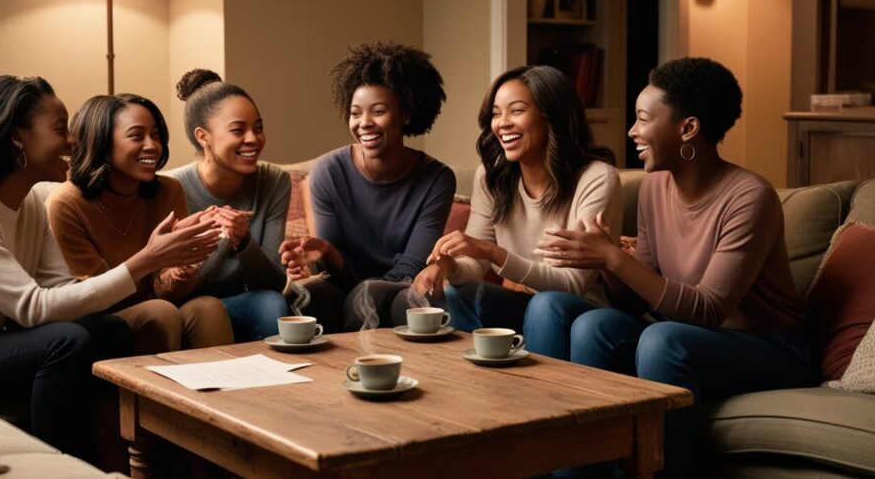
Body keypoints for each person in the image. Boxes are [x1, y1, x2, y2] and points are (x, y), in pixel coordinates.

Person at [0, 76, 217, 461]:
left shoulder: (27, 203)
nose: (73, 141)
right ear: (18, 137)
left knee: (108, 330)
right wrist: (147, 259)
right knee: (65, 341)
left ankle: (119, 458)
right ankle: (62, 465)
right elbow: (32, 308)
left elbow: (61, 289)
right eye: (60, 128)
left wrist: (162, 267)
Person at [536, 57, 817, 473]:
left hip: (769, 345)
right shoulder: (653, 188)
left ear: (688, 128)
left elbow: (708, 310)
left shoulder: (749, 198)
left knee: (663, 341)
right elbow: (634, 303)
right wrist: (607, 259)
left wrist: (614, 257)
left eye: (643, 119)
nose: (632, 131)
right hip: (686, 333)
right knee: (581, 320)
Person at [411, 65, 620, 350]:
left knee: (545, 304)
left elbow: (573, 284)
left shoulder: (596, 178)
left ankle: (538, 393)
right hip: (525, 303)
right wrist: (449, 267)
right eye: (496, 114)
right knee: (459, 294)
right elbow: (476, 262)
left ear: (552, 115)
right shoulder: (492, 176)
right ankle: (473, 387)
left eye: (516, 111)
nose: (502, 123)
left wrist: (494, 252)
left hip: (581, 313)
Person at [279, 42, 456, 331]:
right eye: (355, 113)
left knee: (379, 295)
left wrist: (366, 287)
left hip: (402, 289)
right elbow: (335, 276)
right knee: (308, 294)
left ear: (406, 114)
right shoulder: (329, 172)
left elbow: (410, 269)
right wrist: (326, 251)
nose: (364, 123)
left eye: (378, 111)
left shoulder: (436, 179)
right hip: (343, 287)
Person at [46, 93, 233, 353]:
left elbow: (165, 289)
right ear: (101, 143)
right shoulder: (66, 203)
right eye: (137, 136)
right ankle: (145, 395)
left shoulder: (168, 191)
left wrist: (181, 272)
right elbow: (94, 294)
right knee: (159, 312)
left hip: (155, 304)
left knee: (208, 308)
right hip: (95, 318)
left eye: (155, 136)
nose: (152, 146)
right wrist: (152, 258)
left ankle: (216, 393)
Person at [169, 69, 291, 342]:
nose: (253, 139)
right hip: (191, 307)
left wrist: (244, 241)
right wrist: (219, 240)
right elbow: (174, 290)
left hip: (248, 302)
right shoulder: (172, 188)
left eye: (258, 128)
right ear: (204, 137)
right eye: (238, 130)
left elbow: (274, 284)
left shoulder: (274, 181)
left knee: (271, 304)